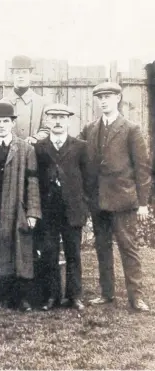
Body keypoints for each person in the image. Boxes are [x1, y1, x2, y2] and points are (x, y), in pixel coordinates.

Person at [79, 82, 151, 312]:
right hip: (98, 199)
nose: (103, 101)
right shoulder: (90, 129)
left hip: (123, 199)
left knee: (128, 248)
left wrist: (143, 203)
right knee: (102, 247)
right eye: (100, 97)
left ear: (118, 98)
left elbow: (142, 168)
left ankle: (136, 297)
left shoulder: (131, 129)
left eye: (108, 96)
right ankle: (106, 293)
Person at [0, 101, 41, 312]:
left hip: (17, 207)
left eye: (6, 121)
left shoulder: (25, 149)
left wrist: (32, 212)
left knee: (20, 250)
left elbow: (32, 182)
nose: (2, 125)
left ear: (12, 123)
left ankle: (23, 298)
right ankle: (3, 297)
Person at [33, 103, 87, 311]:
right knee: (49, 252)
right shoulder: (39, 148)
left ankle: (74, 296)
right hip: (48, 210)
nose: (57, 121)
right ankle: (51, 296)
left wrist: (85, 206)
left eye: (61, 118)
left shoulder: (80, 146)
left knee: (74, 252)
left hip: (73, 209)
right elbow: (35, 179)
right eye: (53, 117)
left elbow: (88, 179)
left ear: (68, 121)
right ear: (47, 121)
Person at [0, 55, 49, 143]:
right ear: (12, 75)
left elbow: (47, 129)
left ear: (30, 75)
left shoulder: (42, 103)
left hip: (34, 152)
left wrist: (35, 138)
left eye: (24, 72)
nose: (21, 76)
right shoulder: (1, 104)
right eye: (17, 72)